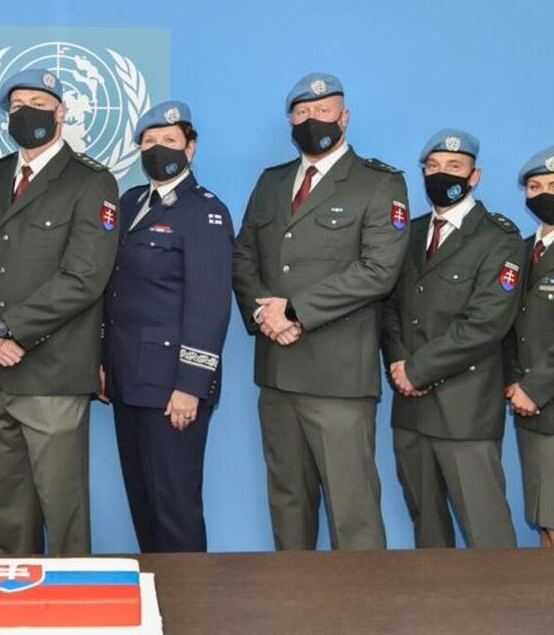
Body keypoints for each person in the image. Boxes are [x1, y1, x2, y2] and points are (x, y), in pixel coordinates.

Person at [232, 72, 409, 551]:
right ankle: (293, 596)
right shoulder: (271, 182)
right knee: (288, 503)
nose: (313, 119)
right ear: (291, 120)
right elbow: (244, 255)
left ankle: (362, 600)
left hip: (338, 378)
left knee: (353, 514)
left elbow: (379, 271)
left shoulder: (379, 183)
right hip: (277, 371)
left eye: (324, 110)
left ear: (344, 117)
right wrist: (264, 315)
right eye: (303, 112)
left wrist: (294, 312)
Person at [0, 68, 119, 555]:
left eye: (39, 104)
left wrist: (8, 329)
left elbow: (84, 277)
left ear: (61, 113)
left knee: (64, 511)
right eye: (17, 105)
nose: (26, 113)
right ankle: (18, 593)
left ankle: (73, 600)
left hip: (52, 373)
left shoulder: (91, 181)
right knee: (8, 514)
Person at [100, 101, 233, 552]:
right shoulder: (130, 202)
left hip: (171, 386)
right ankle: (157, 590)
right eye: (150, 141)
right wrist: (103, 363)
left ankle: (190, 595)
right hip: (127, 379)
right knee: (143, 503)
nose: (158, 148)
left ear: (190, 148)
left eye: (170, 140)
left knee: (174, 509)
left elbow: (209, 305)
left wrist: (190, 386)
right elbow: (113, 292)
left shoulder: (205, 212)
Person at [382, 129, 519, 549]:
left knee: (487, 533)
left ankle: (502, 597)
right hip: (411, 411)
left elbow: (486, 324)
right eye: (433, 166)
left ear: (474, 176)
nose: (442, 174)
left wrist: (417, 370)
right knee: (428, 534)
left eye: (454, 167)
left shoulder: (499, 238)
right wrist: (399, 363)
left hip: (465, 410)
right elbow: (389, 306)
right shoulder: (409, 233)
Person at [504, 144, 554, 547]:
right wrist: (513, 383)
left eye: (553, 186)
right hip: (529, 408)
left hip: (541, 395)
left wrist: (534, 388)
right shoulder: (521, 252)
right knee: (544, 512)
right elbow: (507, 324)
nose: (543, 195)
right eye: (535, 188)